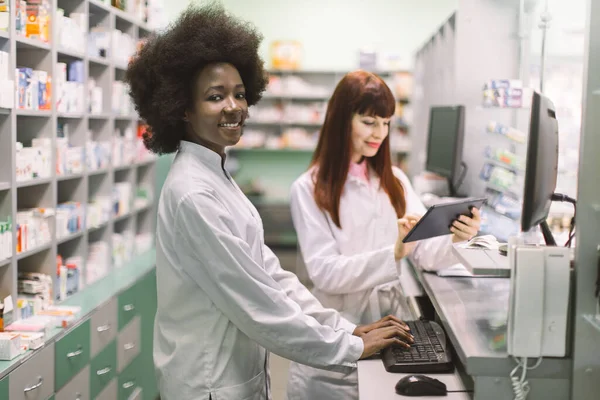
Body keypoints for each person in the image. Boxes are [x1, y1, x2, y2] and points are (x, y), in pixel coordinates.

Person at [125, 5, 413, 400]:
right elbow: (256, 303)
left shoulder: (217, 175)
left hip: (235, 373)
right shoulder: (194, 193)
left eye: (240, 94)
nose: (234, 107)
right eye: (215, 96)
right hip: (210, 382)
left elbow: (271, 276)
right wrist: (350, 347)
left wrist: (343, 328)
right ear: (183, 108)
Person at [286, 70, 481, 400]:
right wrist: (393, 254)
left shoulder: (395, 180)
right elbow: (325, 273)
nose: (380, 133)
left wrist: (457, 238)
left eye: (387, 122)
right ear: (340, 120)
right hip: (339, 335)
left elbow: (427, 251)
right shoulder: (308, 189)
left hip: (390, 333)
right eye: (369, 121)